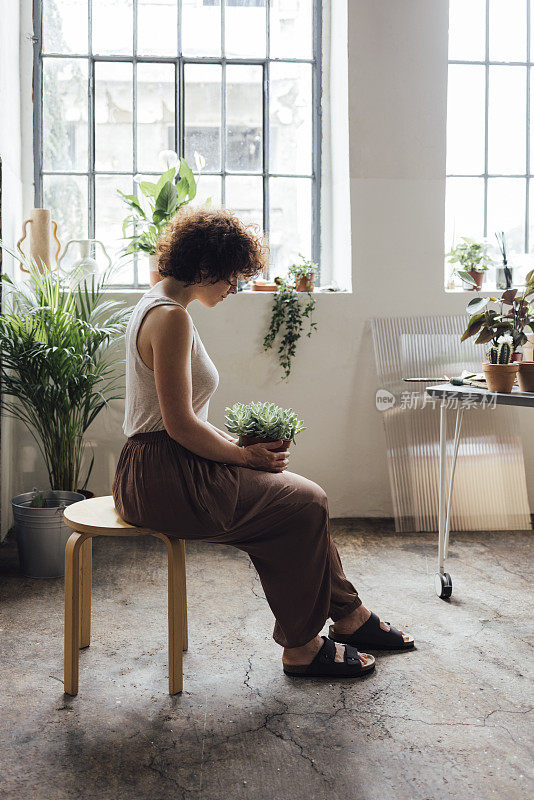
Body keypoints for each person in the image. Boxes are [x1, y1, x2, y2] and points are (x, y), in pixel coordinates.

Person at [112, 206, 415, 679]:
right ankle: (302, 646)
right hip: (166, 476)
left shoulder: (158, 303)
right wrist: (240, 455)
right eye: (231, 278)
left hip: (159, 466)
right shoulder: (171, 319)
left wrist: (239, 448)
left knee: (300, 500)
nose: (234, 289)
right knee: (306, 502)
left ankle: (350, 617)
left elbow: (180, 420)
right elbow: (177, 425)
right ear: (206, 267)